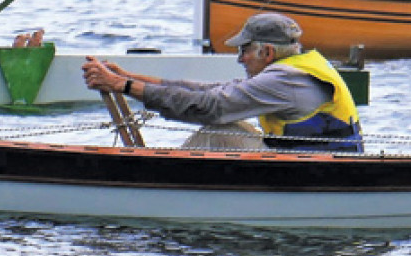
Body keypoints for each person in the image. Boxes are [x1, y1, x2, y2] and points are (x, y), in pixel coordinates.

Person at [82, 13, 362, 152]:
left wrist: (123, 87)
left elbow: (210, 106)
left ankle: (160, 187)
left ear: (267, 52)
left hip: (320, 171)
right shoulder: (294, 69)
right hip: (313, 165)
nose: (239, 58)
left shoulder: (284, 79)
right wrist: (128, 78)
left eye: (244, 50)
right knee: (229, 126)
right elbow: (212, 91)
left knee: (219, 130)